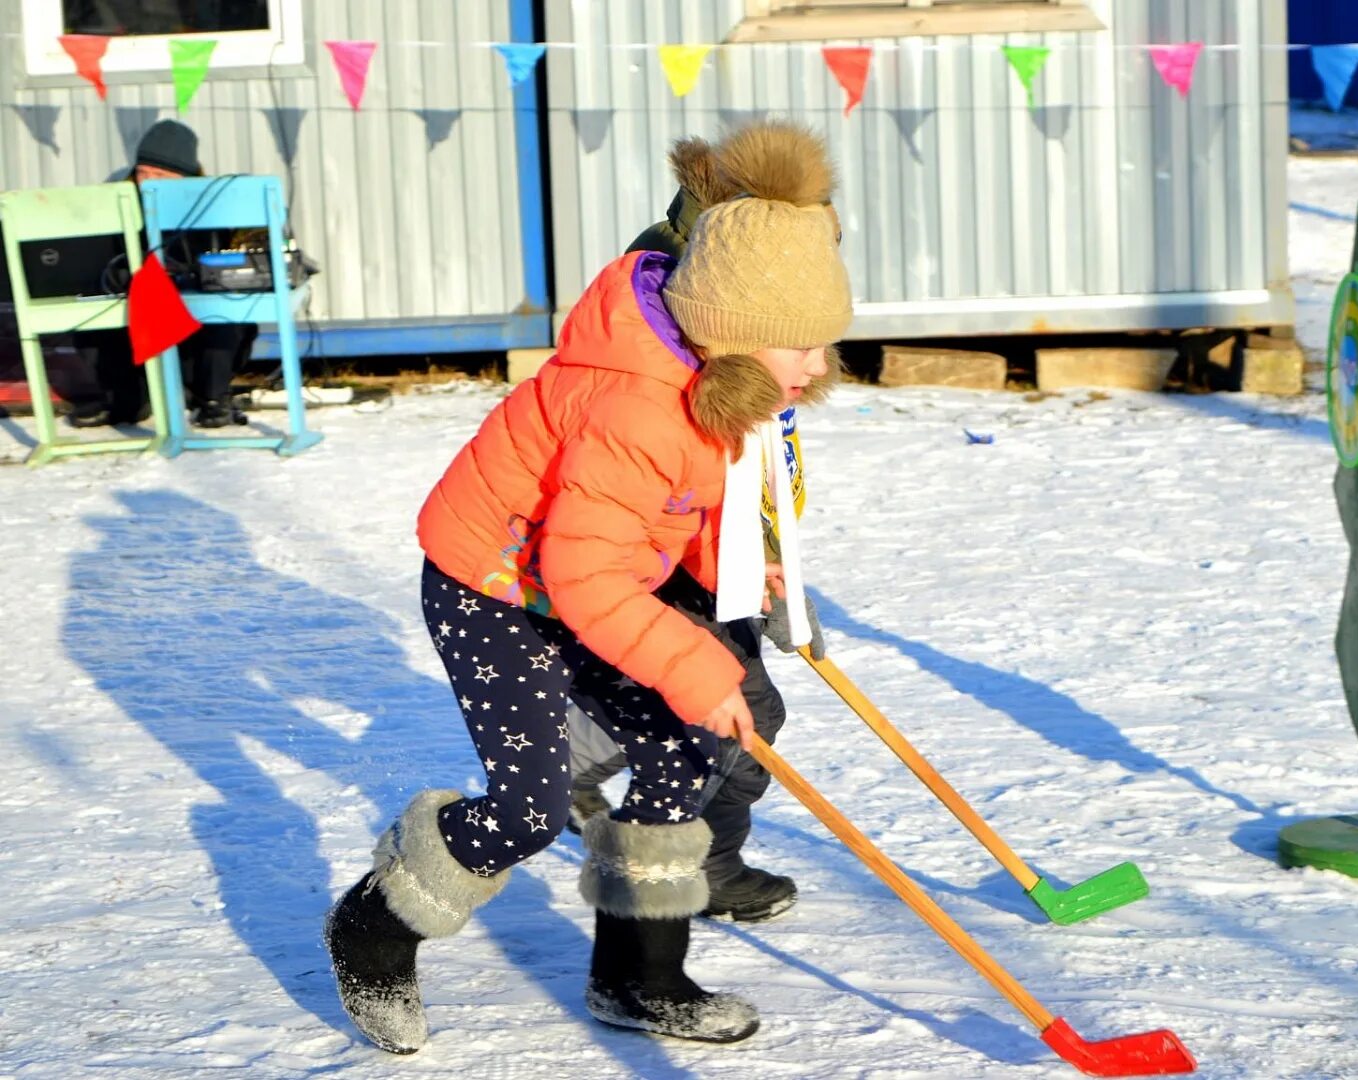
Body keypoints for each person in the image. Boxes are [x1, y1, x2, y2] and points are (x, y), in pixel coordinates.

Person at [322, 121, 849, 1052]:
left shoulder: (720, 385)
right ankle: (373, 925)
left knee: (689, 749)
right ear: (735, 333)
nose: (818, 366)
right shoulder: (638, 406)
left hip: (579, 576)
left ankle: (637, 976)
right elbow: (584, 572)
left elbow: (669, 512)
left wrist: (732, 567)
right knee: (526, 807)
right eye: (802, 345)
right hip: (492, 587)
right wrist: (692, 661)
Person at [565, 124, 838, 925]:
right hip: (670, 550)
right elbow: (677, 466)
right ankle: (702, 862)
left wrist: (773, 568)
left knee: (703, 711)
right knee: (731, 716)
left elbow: (758, 465)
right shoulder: (698, 317)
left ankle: (577, 762)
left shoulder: (774, 327)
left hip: (723, 550)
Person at [67, 120, 259, 429]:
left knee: (227, 306)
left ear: (186, 177)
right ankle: (126, 400)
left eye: (161, 176)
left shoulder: (214, 203)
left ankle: (212, 397)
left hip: (195, 326)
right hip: (137, 322)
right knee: (91, 309)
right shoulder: (115, 202)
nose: (148, 184)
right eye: (143, 173)